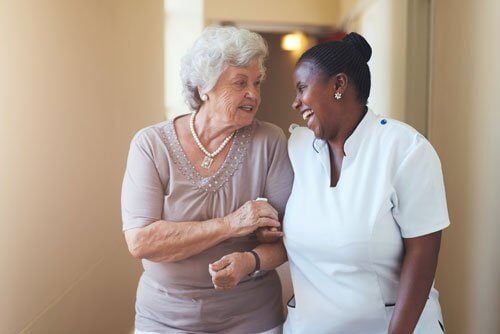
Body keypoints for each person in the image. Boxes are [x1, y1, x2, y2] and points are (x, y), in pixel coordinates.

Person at [215, 32, 450, 334]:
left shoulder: (405, 149)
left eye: (302, 88)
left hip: (389, 326)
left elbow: (422, 257)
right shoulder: (298, 148)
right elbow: (289, 209)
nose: (296, 102)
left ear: (338, 85)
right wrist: (268, 220)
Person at [121, 26, 293, 334]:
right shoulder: (151, 144)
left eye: (256, 82)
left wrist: (250, 261)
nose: (253, 94)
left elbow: (290, 239)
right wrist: (232, 224)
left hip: (251, 317)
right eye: (240, 83)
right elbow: (141, 241)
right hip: (165, 318)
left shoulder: (269, 141)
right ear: (204, 87)